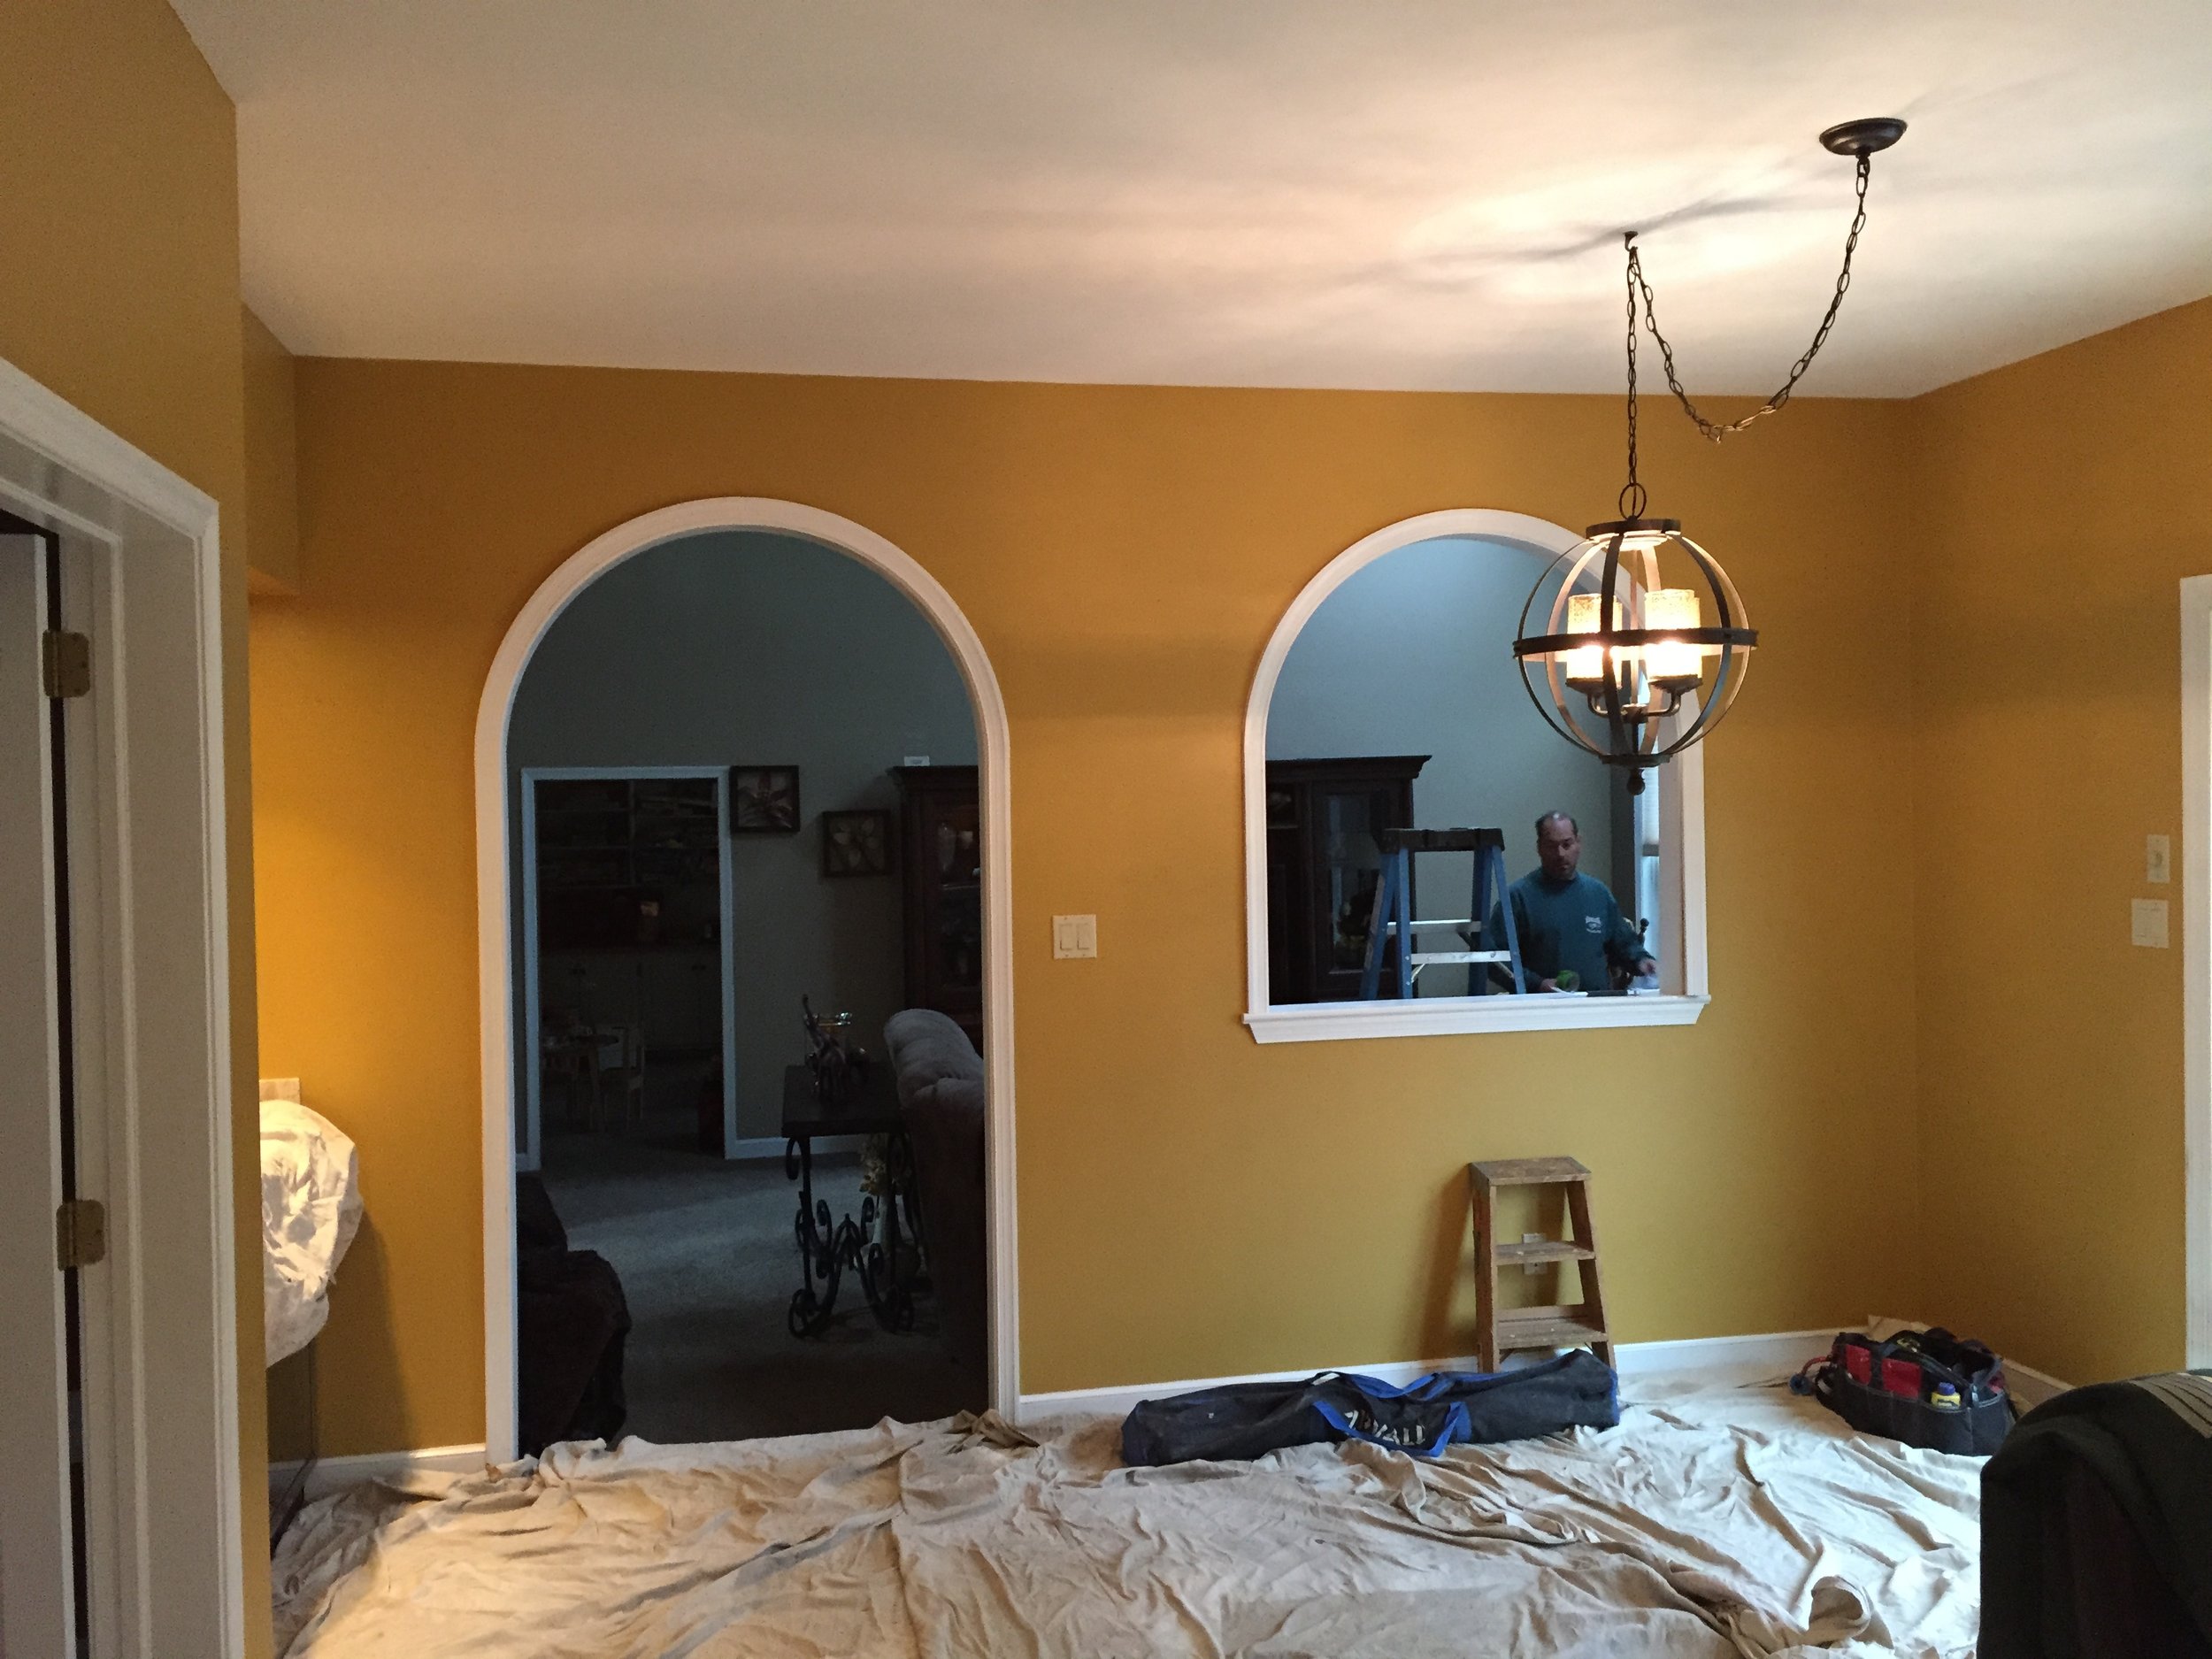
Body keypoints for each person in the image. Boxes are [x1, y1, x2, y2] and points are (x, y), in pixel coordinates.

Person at [1479, 811, 1656, 994]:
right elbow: (1493, 961)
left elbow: (1624, 945)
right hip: (1542, 1009)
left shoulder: (1598, 894)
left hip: (1596, 1007)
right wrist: (1537, 984)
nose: (1560, 854)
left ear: (1578, 842)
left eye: (1567, 844)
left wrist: (1643, 961)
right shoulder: (1518, 898)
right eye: (1551, 846)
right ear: (1539, 847)